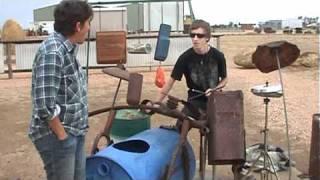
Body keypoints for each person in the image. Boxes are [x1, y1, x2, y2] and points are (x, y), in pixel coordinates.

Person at [28, 1, 93, 179]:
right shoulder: (53, 52)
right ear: (78, 25)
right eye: (88, 23)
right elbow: (44, 105)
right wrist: (63, 138)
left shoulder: (69, 49)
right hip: (57, 137)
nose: (89, 28)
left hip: (74, 132)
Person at [156, 19, 227, 122]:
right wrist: (156, 102)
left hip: (215, 99)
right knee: (180, 126)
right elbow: (170, 82)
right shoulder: (185, 58)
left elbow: (225, 79)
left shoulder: (218, 56)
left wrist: (214, 89)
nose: (195, 39)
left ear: (207, 38)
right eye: (192, 35)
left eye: (199, 36)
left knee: (218, 132)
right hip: (194, 101)